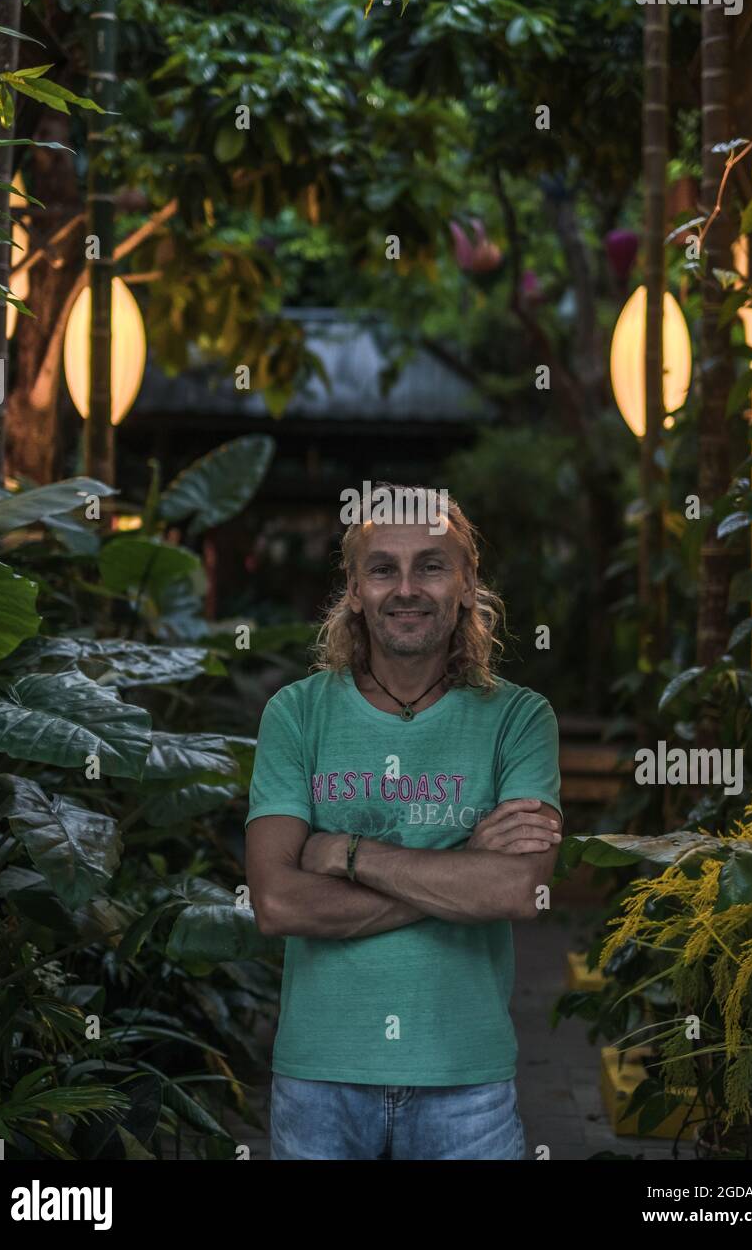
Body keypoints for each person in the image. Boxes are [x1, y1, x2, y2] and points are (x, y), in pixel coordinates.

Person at [244, 483, 563, 1160]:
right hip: (319, 1078)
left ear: (468, 584)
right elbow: (275, 902)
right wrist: (462, 862)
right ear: (355, 589)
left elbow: (516, 892)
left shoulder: (520, 719)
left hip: (465, 1083)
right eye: (384, 568)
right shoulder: (295, 715)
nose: (407, 588)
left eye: (432, 565)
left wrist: (348, 852)